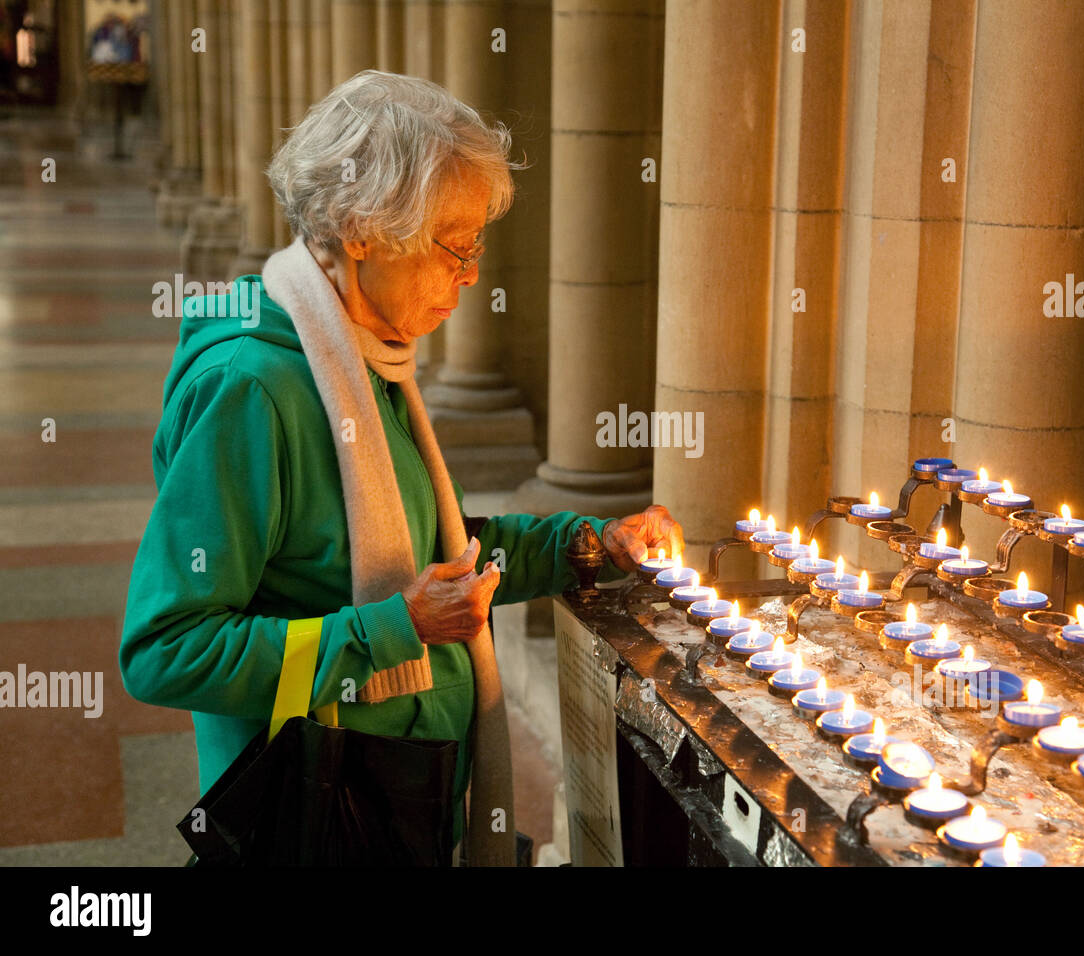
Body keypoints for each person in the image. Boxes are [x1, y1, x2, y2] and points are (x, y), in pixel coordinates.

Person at [119, 70, 683, 864]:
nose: (472, 275)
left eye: (476, 247)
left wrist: (586, 543)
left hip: (407, 800)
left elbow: (432, 555)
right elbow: (164, 650)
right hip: (321, 818)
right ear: (359, 225)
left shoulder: (365, 357)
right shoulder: (253, 387)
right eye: (455, 246)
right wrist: (392, 629)